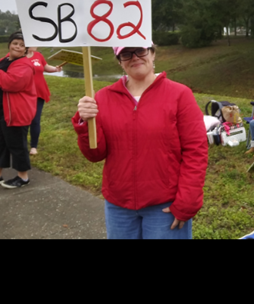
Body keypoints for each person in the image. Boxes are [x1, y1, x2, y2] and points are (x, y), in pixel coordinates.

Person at [73, 44, 209, 240]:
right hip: (119, 207)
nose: (135, 57)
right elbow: (95, 154)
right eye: (126, 54)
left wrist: (187, 201)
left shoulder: (179, 94)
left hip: (165, 207)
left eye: (141, 51)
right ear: (120, 61)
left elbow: (196, 151)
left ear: (152, 54)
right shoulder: (102, 97)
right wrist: (84, 122)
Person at [0, 32, 37, 191]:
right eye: (15, 43)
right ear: (10, 44)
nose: (17, 46)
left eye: (22, 45)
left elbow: (12, 83)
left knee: (17, 144)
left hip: (15, 111)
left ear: (26, 49)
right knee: (1, 144)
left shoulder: (24, 65)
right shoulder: (5, 59)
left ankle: (23, 177)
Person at [25, 47, 63, 156]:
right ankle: (20, 143)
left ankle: (33, 146)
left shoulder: (38, 55)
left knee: (35, 120)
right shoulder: (18, 56)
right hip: (24, 93)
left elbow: (45, 67)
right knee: (24, 120)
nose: (36, 45)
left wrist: (55, 69)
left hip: (39, 93)